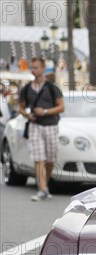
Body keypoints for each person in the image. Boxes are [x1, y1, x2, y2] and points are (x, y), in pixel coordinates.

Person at [19, 57, 65, 201]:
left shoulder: (52, 87)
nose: (33, 70)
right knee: (39, 158)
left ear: (43, 68)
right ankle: (43, 189)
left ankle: (45, 183)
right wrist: (28, 115)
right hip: (35, 126)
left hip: (51, 125)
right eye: (32, 67)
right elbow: (20, 108)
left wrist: (44, 111)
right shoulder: (26, 88)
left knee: (50, 159)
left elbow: (61, 107)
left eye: (36, 67)